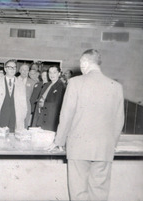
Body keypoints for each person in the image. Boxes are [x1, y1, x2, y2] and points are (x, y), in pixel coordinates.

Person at [51, 49, 124, 200]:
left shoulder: (75, 82)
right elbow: (119, 119)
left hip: (79, 146)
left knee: (79, 192)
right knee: (99, 192)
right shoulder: (116, 86)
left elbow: (66, 114)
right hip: (104, 148)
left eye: (81, 63)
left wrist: (59, 141)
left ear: (84, 63)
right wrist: (112, 143)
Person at [0, 59, 27, 132]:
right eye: (10, 67)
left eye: (14, 67)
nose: (12, 69)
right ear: (5, 69)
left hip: (15, 116)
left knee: (13, 138)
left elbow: (24, 103)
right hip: (1, 115)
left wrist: (22, 116)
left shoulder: (20, 84)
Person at [31, 66, 65, 132]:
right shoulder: (47, 84)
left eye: (54, 72)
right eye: (50, 72)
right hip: (40, 116)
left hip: (50, 119)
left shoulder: (62, 86)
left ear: (59, 74)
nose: (52, 75)